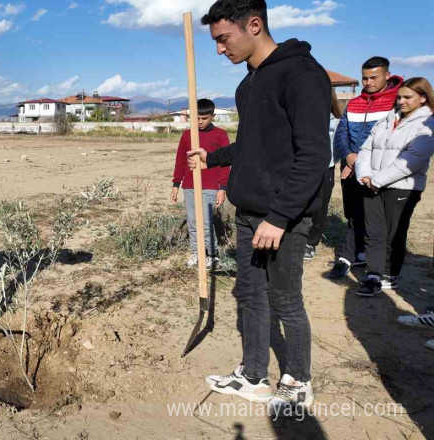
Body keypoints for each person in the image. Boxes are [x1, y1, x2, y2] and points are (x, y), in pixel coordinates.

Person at [190, 0, 331, 415]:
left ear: (254, 25)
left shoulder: (303, 75)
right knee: (250, 295)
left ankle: (299, 381)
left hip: (282, 219)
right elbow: (253, 145)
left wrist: (280, 216)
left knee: (286, 300)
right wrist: (211, 158)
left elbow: (312, 156)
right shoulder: (248, 84)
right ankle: (253, 376)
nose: (219, 50)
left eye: (223, 39)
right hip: (250, 214)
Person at [354, 77, 434, 296]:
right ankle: (373, 275)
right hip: (371, 184)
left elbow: (413, 160)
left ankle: (391, 274)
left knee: (393, 233)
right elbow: (366, 149)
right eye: (399, 97)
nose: (401, 101)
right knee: (373, 232)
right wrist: (364, 174)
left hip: (402, 187)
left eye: (407, 97)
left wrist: (377, 180)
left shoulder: (428, 124)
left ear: (423, 97)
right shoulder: (388, 118)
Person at [328, 57, 403, 278]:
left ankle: (378, 263)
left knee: (378, 218)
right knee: (353, 213)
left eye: (373, 78)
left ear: (387, 76)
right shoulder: (354, 103)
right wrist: (349, 156)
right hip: (349, 167)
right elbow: (342, 132)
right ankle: (353, 255)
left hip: (378, 170)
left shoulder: (396, 102)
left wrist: (360, 162)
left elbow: (390, 138)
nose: (367, 82)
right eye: (364, 78)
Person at [171, 98, 230, 268]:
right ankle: (197, 252)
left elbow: (225, 164)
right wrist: (176, 185)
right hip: (190, 185)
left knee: (205, 221)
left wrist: (222, 188)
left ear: (213, 115)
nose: (200, 122)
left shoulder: (220, 135)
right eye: (197, 118)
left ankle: (212, 255)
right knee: (192, 221)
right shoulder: (187, 135)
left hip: (210, 186)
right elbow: (180, 161)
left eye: (204, 118)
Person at [305, 90, 344, 260]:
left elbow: (339, 145)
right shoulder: (305, 119)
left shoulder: (336, 122)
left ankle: (311, 242)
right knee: (302, 203)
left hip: (325, 169)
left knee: (320, 207)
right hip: (304, 168)